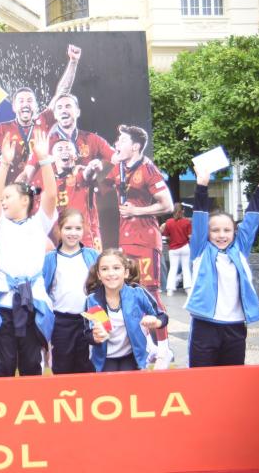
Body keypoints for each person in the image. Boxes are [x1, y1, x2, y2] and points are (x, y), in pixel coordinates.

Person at [186, 162, 259, 367]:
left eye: (227, 230)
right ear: (207, 234)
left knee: (232, 379)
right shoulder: (201, 250)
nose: (221, 235)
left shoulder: (240, 249)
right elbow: (199, 218)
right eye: (215, 230)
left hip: (235, 326)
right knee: (202, 380)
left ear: (234, 232)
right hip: (205, 325)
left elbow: (252, 220)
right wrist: (201, 186)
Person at [0, 130, 57, 378]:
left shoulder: (39, 224)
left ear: (25, 200)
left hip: (33, 302)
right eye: (3, 198)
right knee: (4, 367)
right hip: (4, 304)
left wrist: (44, 159)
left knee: (31, 367)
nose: (2, 202)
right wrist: (4, 164)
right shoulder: (0, 225)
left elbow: (52, 196)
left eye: (8, 197)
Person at [106, 124, 174, 368]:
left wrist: (138, 210)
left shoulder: (148, 169)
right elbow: (107, 170)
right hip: (126, 239)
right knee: (133, 293)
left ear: (135, 146)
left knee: (150, 293)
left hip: (145, 239)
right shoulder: (120, 168)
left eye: (122, 141)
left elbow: (167, 204)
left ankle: (165, 348)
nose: (117, 144)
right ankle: (150, 347)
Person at [0, 45, 82, 184]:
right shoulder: (1, 129)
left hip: (40, 189)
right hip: (13, 189)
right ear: (14, 107)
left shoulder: (44, 120)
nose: (25, 104)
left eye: (29, 100)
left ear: (36, 106)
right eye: (21, 101)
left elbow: (62, 92)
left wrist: (73, 62)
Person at [85, 248, 168, 372]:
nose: (111, 273)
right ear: (99, 275)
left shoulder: (137, 293)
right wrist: (95, 337)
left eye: (116, 268)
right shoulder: (92, 300)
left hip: (132, 356)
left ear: (126, 273)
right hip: (105, 358)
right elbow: (88, 334)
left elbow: (162, 317)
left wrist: (155, 322)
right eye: (104, 269)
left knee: (130, 385)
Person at [43, 209, 99, 374]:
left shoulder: (92, 256)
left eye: (77, 228)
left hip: (87, 321)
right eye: (68, 228)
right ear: (59, 229)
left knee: (86, 367)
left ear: (83, 230)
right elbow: (44, 291)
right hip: (61, 323)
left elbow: (100, 290)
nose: (72, 233)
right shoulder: (50, 258)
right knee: (62, 367)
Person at [161, 202, 192, 296]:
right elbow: (190, 236)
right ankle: (188, 289)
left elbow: (166, 236)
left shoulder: (168, 222)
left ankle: (170, 290)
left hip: (173, 249)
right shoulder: (187, 221)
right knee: (186, 268)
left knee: (173, 269)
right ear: (183, 211)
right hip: (185, 247)